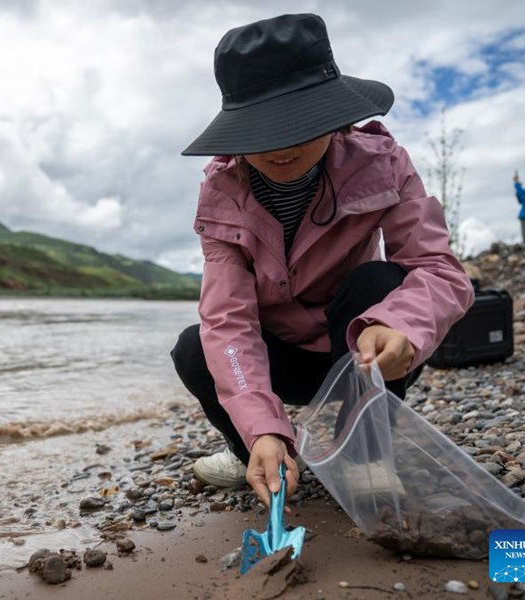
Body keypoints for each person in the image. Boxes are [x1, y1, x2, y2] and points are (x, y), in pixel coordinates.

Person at [170, 14, 474, 512]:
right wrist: (265, 427)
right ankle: (256, 451)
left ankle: (365, 448)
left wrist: (402, 327)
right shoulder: (221, 193)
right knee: (194, 347)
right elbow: (228, 321)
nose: (281, 145)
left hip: (362, 349)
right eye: (262, 128)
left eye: (301, 122)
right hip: (280, 361)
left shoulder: (383, 162)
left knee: (379, 281)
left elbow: (439, 270)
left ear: (336, 115)